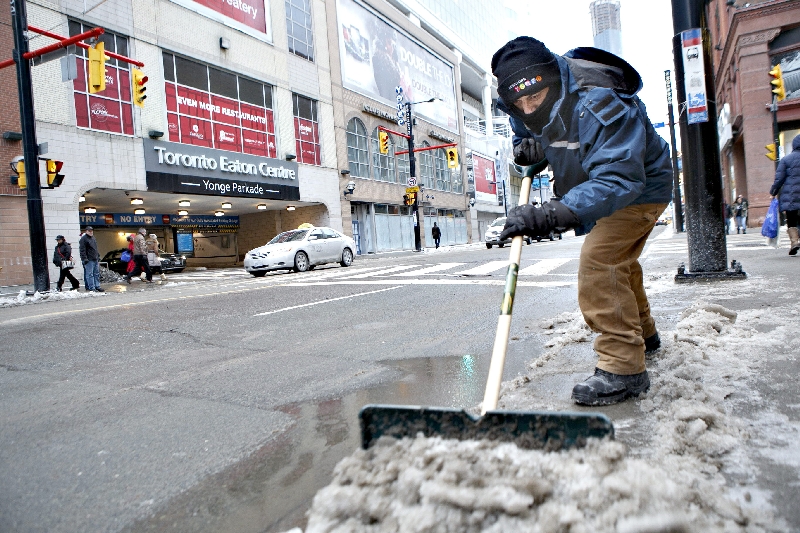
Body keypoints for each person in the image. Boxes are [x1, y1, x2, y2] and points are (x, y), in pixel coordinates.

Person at [492, 37, 672, 406]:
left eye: (535, 98)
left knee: (601, 260)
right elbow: (527, 128)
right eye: (519, 104)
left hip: (639, 188)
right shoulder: (524, 102)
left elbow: (619, 178)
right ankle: (644, 334)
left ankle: (624, 368)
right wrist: (527, 147)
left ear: (551, 80)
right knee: (619, 262)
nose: (528, 108)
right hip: (597, 184)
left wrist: (551, 214)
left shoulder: (599, 100)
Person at [770, 133, 800, 256]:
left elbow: (779, 179)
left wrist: (773, 192)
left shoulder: (786, 160)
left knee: (791, 219)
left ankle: (794, 242)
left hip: (791, 195)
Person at [78, 226, 104, 292]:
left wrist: (98, 256)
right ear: (86, 231)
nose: (91, 232)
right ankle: (91, 287)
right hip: (89, 259)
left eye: (91, 230)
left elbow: (95, 248)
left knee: (96, 273)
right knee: (90, 274)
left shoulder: (93, 238)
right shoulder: (83, 239)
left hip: (95, 258)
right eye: (89, 231)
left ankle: (97, 286)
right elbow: (82, 250)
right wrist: (84, 258)